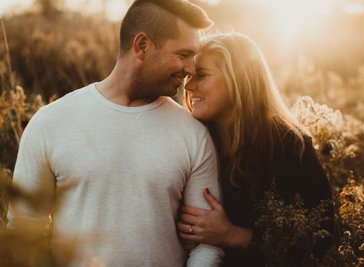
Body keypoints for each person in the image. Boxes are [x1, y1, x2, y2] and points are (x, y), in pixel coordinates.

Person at [7, 0, 224, 266]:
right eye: (183, 55)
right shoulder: (51, 122)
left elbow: (207, 244)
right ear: (142, 46)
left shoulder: (194, 134)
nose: (190, 69)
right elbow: (24, 230)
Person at [178, 32, 337, 266]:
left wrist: (230, 234)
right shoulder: (193, 139)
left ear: (238, 79)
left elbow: (321, 237)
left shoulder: (289, 145)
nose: (189, 86)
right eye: (189, 76)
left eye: (201, 75)